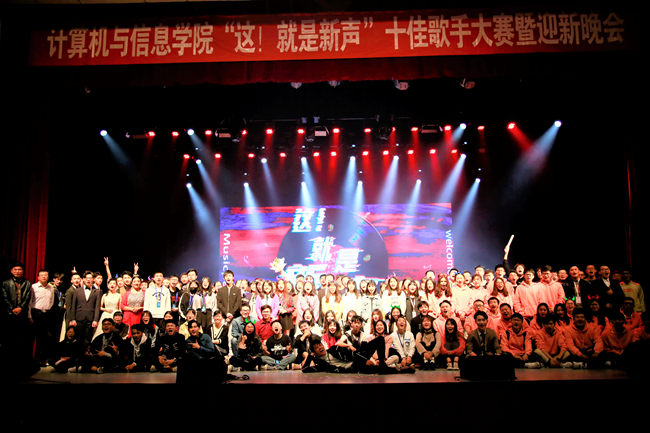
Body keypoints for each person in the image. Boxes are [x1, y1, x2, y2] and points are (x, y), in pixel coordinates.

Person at [69, 270, 102, 346]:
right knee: (78, 340)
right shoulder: (77, 291)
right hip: (79, 318)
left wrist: (95, 320)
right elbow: (73, 306)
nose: (88, 280)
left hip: (90, 319)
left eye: (90, 278)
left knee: (87, 340)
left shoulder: (97, 292)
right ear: (83, 279)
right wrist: (73, 319)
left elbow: (97, 307)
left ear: (93, 279)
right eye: (86, 278)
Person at [30, 269, 56, 366]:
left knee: (44, 339)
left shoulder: (51, 288)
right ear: (38, 277)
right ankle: (31, 360)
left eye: (46, 275)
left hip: (46, 314)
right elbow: (30, 302)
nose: (44, 277)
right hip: (35, 313)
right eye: (42, 275)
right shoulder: (33, 287)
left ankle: (41, 360)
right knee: (33, 337)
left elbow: (51, 301)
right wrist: (30, 316)